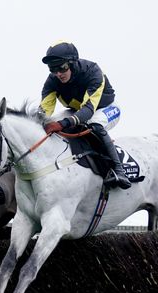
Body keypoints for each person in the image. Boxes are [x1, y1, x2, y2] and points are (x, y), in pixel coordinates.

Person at [39, 41, 131, 190]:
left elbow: (88, 110)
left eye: (62, 68)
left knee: (94, 125)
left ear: (73, 63)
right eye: (53, 69)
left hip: (104, 108)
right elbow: (43, 111)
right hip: (76, 110)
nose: (58, 74)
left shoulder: (93, 72)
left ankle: (119, 171)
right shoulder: (52, 81)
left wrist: (64, 124)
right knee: (48, 124)